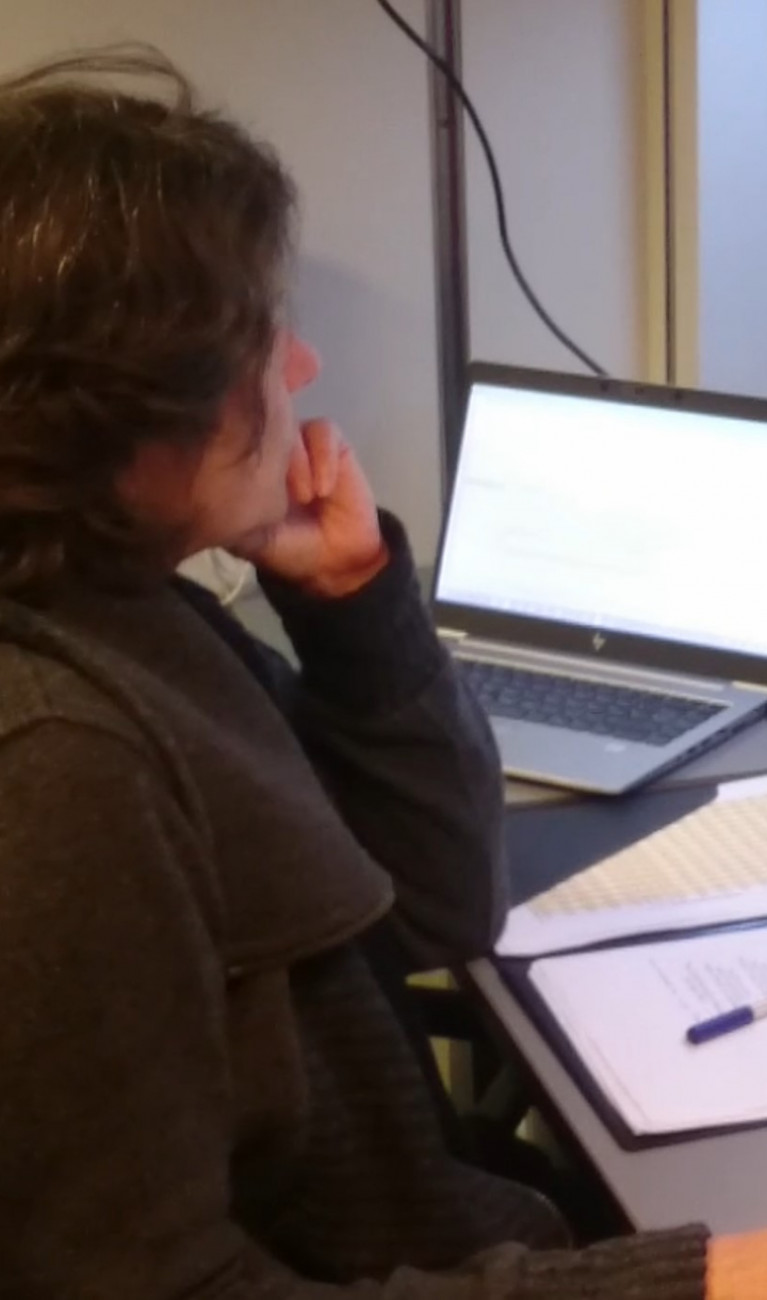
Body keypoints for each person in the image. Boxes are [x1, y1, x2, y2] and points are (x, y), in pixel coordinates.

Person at [0, 44, 761, 1300]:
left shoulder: (133, 608)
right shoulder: (56, 764)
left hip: (442, 1224)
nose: (298, 372)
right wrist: (691, 1282)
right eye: (262, 338)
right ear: (121, 411)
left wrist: (351, 599)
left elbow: (434, 899)